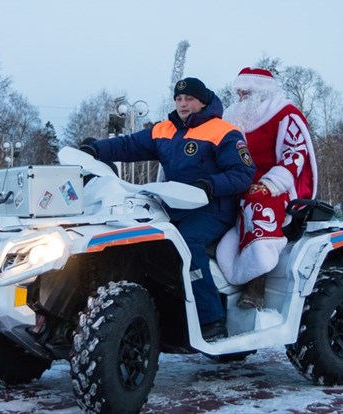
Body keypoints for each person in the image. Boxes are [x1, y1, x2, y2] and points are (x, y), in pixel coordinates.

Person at [80, 77, 255, 341]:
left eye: (190, 99)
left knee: (187, 245)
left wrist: (210, 185)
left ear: (202, 101)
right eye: (179, 99)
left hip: (212, 209)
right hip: (174, 205)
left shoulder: (223, 132)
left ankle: (212, 319)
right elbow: (128, 145)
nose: (183, 104)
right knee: (142, 241)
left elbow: (243, 174)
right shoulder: (165, 130)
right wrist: (94, 150)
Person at [216, 67, 317, 309]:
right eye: (238, 93)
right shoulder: (231, 118)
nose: (240, 98)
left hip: (275, 187)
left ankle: (255, 288)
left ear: (260, 91)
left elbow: (295, 154)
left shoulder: (285, 114)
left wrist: (270, 183)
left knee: (259, 209)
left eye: (245, 93)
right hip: (236, 183)